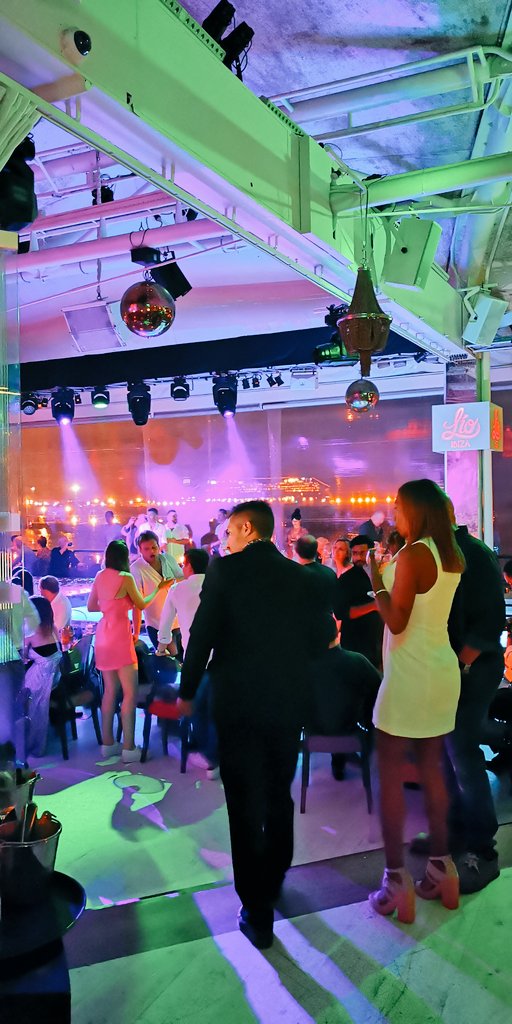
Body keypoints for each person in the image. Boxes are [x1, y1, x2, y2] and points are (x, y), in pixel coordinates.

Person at [178, 500, 330, 949]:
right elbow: (320, 636)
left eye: (229, 532)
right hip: (286, 701)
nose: (225, 540)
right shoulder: (300, 576)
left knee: (244, 803)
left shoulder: (226, 571)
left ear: (247, 528)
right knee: (278, 793)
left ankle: (257, 911)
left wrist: (187, 691)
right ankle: (275, 877)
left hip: (238, 702)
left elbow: (202, 635)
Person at [368, 479, 465, 924]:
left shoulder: (413, 555)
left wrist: (376, 581)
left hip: (409, 673)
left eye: (398, 506)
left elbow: (397, 621)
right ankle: (443, 870)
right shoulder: (450, 554)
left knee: (388, 773)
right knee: (432, 769)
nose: (393, 512)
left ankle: (395, 882)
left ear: (416, 510)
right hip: (440, 669)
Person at [442, 499, 506, 893]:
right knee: (449, 754)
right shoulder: (441, 553)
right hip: (453, 670)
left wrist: (460, 664)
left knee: (462, 751)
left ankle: (483, 849)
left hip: (473, 670)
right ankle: (458, 836)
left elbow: (490, 622)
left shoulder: (474, 554)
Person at [87, 539, 172, 762]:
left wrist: (110, 605)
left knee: (109, 691)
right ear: (124, 558)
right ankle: (129, 747)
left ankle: (108, 744)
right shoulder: (125, 577)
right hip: (120, 636)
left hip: (103, 635)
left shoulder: (100, 576)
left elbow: (91, 606)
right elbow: (141, 603)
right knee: (130, 693)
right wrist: (159, 589)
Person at [157, 547, 218, 778]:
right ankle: (220, 755)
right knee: (217, 707)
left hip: (194, 659)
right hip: (221, 657)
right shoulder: (217, 586)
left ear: (190, 565)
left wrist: (161, 648)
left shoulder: (177, 589)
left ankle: (210, 759)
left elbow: (165, 627)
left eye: (184, 564)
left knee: (197, 708)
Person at [308, 616, 381, 735]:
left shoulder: (306, 666)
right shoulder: (357, 661)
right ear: (337, 634)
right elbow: (379, 688)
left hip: (313, 733)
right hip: (352, 733)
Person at [333, 535, 383, 669]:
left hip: (377, 642)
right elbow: (340, 612)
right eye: (355, 553)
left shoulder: (380, 576)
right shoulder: (346, 580)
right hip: (354, 643)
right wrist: (373, 606)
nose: (358, 558)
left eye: (362, 553)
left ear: (371, 553)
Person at [131, 531, 183, 650]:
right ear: (140, 550)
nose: (152, 551)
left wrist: (174, 582)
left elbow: (182, 577)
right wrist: (136, 632)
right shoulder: (136, 569)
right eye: (146, 549)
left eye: (154, 547)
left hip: (178, 620)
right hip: (156, 623)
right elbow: (138, 603)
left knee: (182, 657)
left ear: (159, 546)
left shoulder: (167, 559)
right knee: (169, 658)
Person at [24, 596, 62, 756]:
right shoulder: (53, 628)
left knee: (15, 693)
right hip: (56, 677)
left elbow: (22, 657)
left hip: (40, 678)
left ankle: (19, 740)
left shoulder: (30, 633)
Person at [295, 535, 336, 615]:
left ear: (296, 550)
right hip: (327, 620)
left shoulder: (296, 575)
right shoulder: (330, 573)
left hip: (304, 620)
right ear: (316, 550)